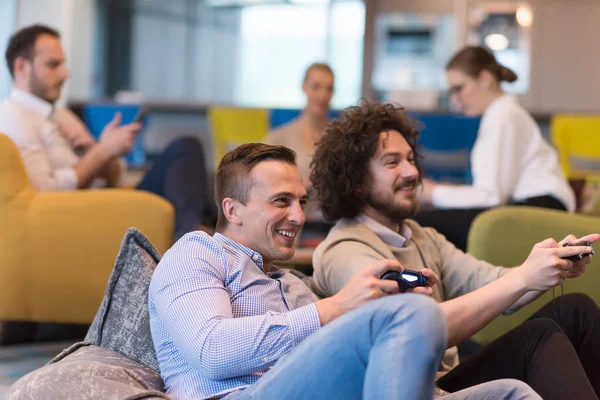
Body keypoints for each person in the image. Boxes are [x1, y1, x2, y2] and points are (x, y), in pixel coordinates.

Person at [148, 143, 541, 400]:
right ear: (232, 210)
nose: (299, 216)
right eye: (281, 201)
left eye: (302, 201)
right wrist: (335, 309)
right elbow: (212, 351)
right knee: (412, 313)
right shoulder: (196, 254)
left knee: (511, 393)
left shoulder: (292, 286)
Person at [310, 100, 600, 400]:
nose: (412, 172)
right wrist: (525, 277)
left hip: (447, 375)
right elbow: (415, 332)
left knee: (576, 310)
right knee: (537, 338)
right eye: (393, 162)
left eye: (411, 159)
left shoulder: (422, 236)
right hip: (417, 388)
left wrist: (550, 264)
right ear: (356, 182)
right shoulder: (344, 250)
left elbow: (495, 282)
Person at [0, 24, 216, 241]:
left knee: (187, 152)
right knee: (186, 157)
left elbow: (115, 176)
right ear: (21, 67)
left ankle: (199, 236)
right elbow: (44, 192)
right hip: (85, 212)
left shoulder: (61, 115)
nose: (65, 73)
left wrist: (101, 149)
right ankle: (195, 242)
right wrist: (102, 151)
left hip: (108, 197)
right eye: (53, 65)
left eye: (63, 64)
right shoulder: (13, 116)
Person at [414, 46, 575, 251]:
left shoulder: (503, 116)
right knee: (426, 222)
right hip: (534, 206)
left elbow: (491, 196)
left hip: (542, 209)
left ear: (485, 79)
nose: (455, 99)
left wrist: (431, 193)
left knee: (421, 224)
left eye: (459, 88)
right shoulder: (501, 114)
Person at [264, 63, 335, 242]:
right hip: (290, 227)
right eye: (316, 86)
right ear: (304, 87)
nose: (323, 95)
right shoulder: (278, 138)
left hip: (331, 225)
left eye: (329, 89)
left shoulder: (341, 140)